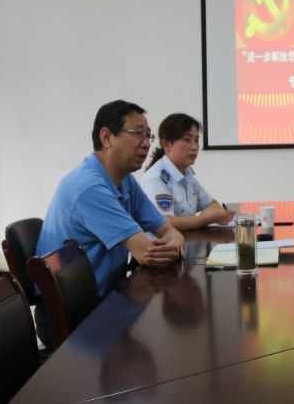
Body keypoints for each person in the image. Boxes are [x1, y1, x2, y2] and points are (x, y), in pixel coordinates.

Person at [37, 100, 185, 345]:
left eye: (148, 135)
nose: (147, 143)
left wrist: (176, 245)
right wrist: (172, 245)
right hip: (72, 316)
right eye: (138, 133)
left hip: (107, 300)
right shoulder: (89, 187)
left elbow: (168, 230)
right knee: (172, 336)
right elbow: (148, 253)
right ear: (106, 137)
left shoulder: (124, 180)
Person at [139, 113, 235, 230]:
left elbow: (213, 204)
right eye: (187, 140)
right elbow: (165, 223)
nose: (194, 147)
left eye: (196, 140)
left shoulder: (187, 174)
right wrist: (207, 218)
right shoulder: (156, 179)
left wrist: (210, 216)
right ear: (167, 145)